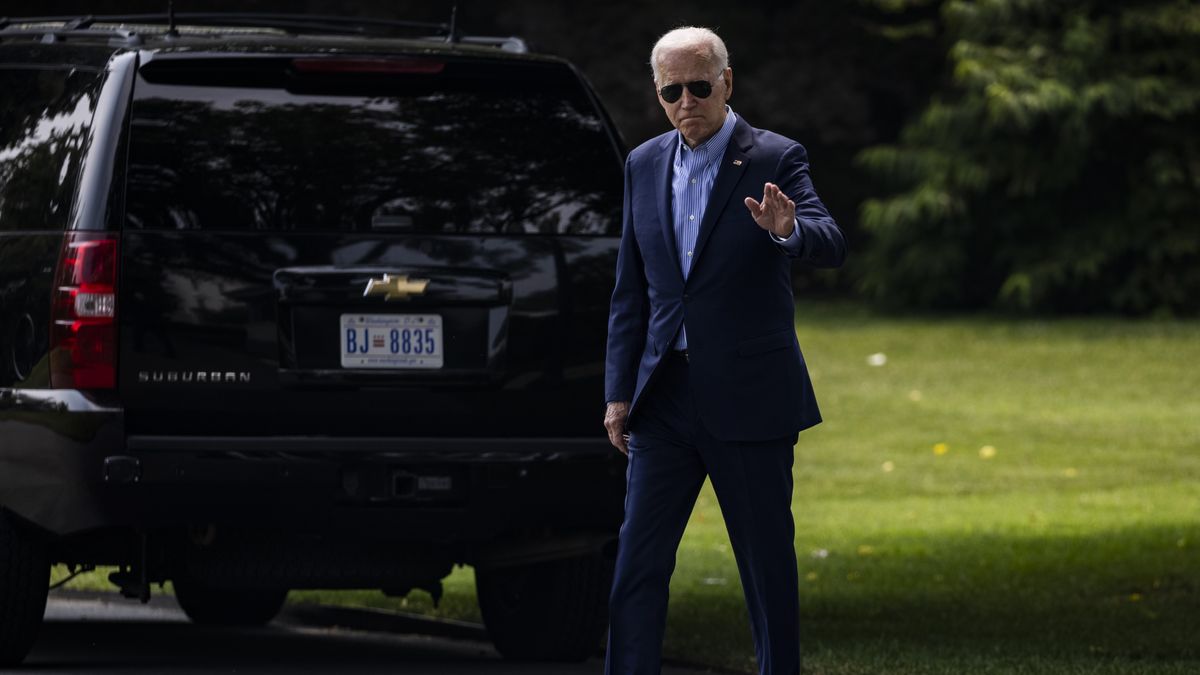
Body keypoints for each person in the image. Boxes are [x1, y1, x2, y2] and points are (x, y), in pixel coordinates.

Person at [602, 26, 847, 675]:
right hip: (665, 401)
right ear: (658, 94)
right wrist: (618, 392)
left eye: (700, 87)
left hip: (750, 400)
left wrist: (789, 230)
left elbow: (830, 238)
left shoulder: (774, 157)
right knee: (636, 567)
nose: (687, 102)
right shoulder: (642, 163)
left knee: (766, 571)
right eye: (671, 91)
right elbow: (631, 291)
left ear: (727, 84)